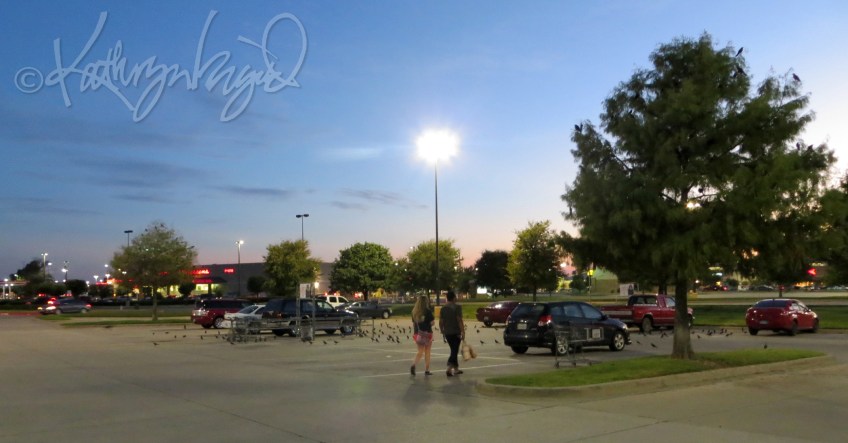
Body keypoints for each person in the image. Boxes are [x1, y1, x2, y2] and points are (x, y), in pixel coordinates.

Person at [439, 290, 465, 376]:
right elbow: (459, 320)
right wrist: (463, 331)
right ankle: (449, 368)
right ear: (454, 298)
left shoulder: (443, 308)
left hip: (447, 332)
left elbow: (441, 321)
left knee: (453, 350)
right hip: (456, 332)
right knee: (454, 350)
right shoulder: (457, 307)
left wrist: (442, 330)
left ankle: (456, 369)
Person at [410, 295, 434, 376]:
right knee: (427, 351)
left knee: (420, 351)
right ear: (426, 302)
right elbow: (432, 322)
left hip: (417, 334)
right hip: (427, 333)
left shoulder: (414, 312)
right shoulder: (427, 311)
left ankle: (414, 364)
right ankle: (427, 370)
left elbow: (414, 323)